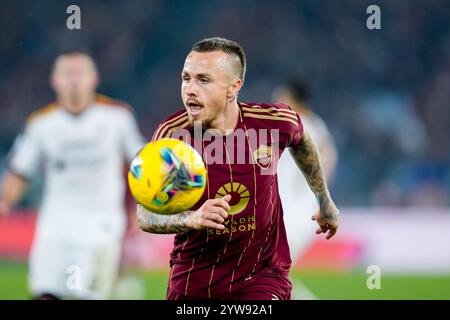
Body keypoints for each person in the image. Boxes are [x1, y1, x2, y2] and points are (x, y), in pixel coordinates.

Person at [137, 37, 340, 300]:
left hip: (262, 275)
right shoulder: (173, 137)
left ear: (234, 87)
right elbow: (145, 215)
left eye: (203, 80)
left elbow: (302, 140)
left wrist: (324, 201)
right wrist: (191, 218)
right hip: (195, 276)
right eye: (186, 78)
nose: (190, 89)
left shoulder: (273, 123)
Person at [0, 52, 145, 299]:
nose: (74, 80)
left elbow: (141, 164)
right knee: (45, 294)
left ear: (94, 79)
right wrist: (5, 203)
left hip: (102, 226)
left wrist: (142, 207)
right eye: (68, 74)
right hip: (56, 226)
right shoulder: (41, 124)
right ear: (54, 80)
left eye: (80, 73)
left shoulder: (118, 118)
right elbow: (20, 171)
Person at [273, 80, 338, 299]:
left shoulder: (308, 125)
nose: (277, 102)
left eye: (282, 98)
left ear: (293, 100)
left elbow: (328, 157)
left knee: (269, 272)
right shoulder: (291, 124)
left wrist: (321, 197)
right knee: (268, 274)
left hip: (299, 212)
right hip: (284, 209)